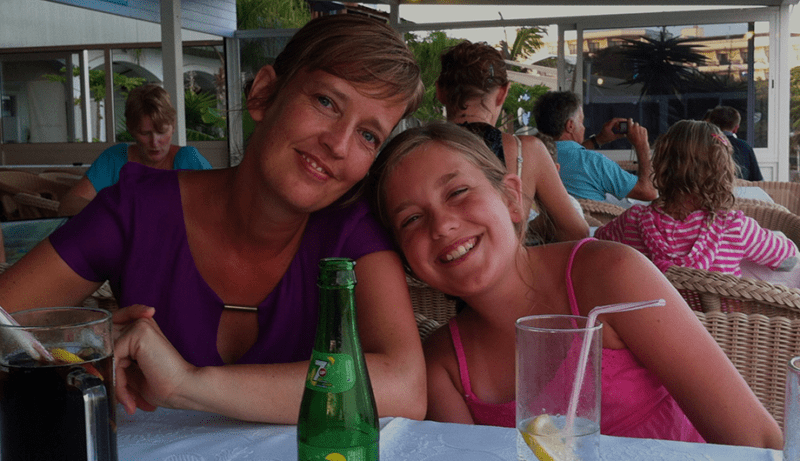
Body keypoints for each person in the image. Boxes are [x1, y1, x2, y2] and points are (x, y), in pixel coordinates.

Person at [0, 15, 427, 424]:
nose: (338, 144)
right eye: (326, 101)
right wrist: (89, 345)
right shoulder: (136, 209)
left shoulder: (352, 231)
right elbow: (5, 321)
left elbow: (406, 388)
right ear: (262, 94)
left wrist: (188, 385)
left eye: (368, 135)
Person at [369, 121, 782, 448]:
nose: (442, 225)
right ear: (404, 256)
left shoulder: (608, 275)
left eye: (458, 191)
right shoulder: (442, 365)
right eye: (411, 219)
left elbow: (756, 440)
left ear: (512, 198)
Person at [595, 120, 796, 276]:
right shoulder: (735, 227)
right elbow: (789, 260)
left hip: (647, 324)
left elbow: (597, 243)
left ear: (662, 165)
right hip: (724, 328)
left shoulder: (631, 221)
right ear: (721, 171)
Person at [436, 41, 588, 242]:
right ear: (502, 93)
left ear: (439, 91)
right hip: (507, 270)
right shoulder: (527, 151)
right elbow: (576, 231)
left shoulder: (413, 150)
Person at [58, 84, 212, 216]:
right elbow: (68, 205)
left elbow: (221, 205)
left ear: (173, 126)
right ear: (130, 129)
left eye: (162, 132)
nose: (155, 142)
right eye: (145, 133)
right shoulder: (115, 158)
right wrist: (116, 213)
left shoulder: (189, 160)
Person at [533, 90, 657, 202]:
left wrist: (598, 140)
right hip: (591, 226)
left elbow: (569, 156)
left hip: (545, 227)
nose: (584, 127)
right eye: (581, 122)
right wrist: (642, 145)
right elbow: (649, 192)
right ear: (570, 126)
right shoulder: (594, 163)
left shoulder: (532, 159)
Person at [706, 105, 763, 181]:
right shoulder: (744, 147)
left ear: (709, 123)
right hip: (739, 191)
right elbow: (757, 180)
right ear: (735, 128)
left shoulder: (701, 145)